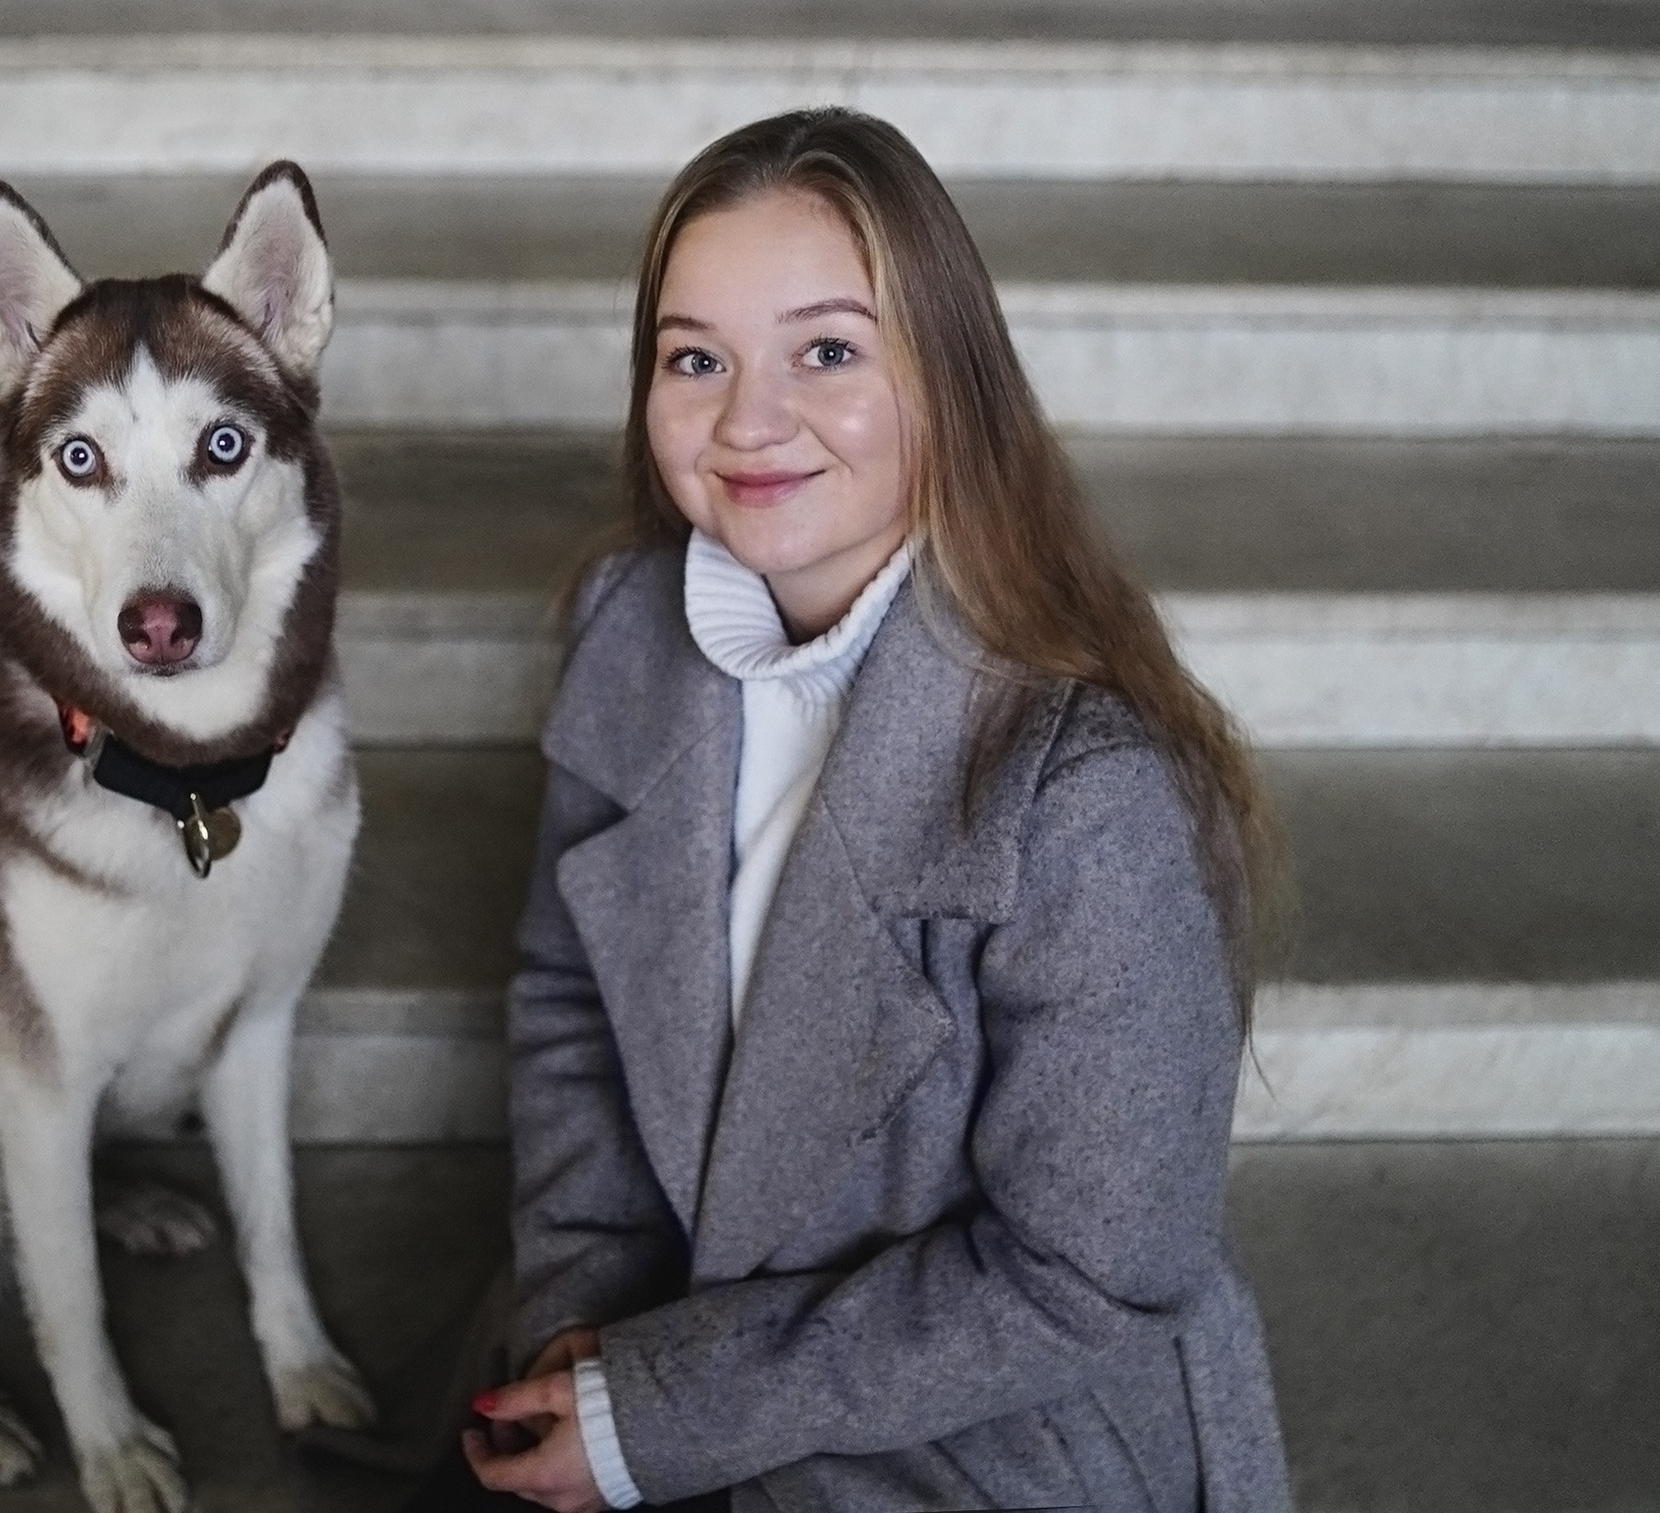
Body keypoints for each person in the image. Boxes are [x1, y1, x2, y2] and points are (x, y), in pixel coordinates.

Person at [455, 108, 1293, 1512]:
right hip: (667, 1326)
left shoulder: (1088, 783)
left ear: (949, 382)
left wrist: (661, 1411)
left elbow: (1095, 1273)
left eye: (828, 351)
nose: (747, 420)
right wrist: (586, 1315)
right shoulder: (627, 628)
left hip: (990, 1418)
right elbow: (567, 1000)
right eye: (694, 357)